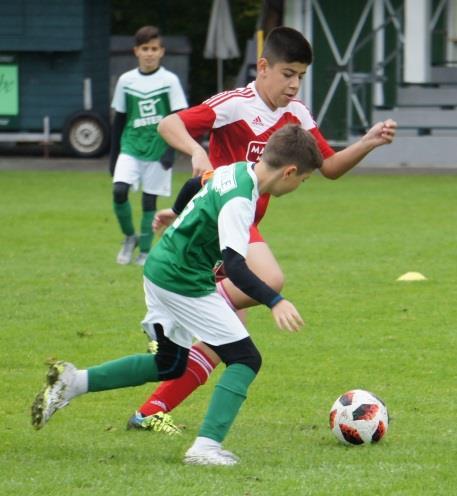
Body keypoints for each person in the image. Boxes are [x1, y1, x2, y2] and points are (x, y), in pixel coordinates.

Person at [126, 26, 397, 430]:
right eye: (288, 73)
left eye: (301, 75)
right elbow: (169, 125)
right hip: (223, 219)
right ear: (264, 66)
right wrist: (198, 150)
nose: (294, 84)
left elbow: (330, 168)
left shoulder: (297, 115)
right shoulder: (235, 105)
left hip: (236, 227)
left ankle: (148, 413)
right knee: (269, 278)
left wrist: (368, 142)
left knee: (228, 337)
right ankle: (175, 316)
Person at [31, 125, 323, 466]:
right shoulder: (241, 201)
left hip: (161, 267)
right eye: (302, 180)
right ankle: (205, 447)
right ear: (289, 171)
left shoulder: (236, 169)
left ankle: (74, 381)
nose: (299, 187)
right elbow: (235, 266)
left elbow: (194, 183)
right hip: (182, 281)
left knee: (169, 364)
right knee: (246, 358)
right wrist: (276, 300)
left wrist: (177, 211)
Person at [110, 25, 188, 266]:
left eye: (154, 48)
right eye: (145, 48)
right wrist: (113, 157)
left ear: (162, 52)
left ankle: (144, 251)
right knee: (119, 191)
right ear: (136, 51)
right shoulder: (126, 81)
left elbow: (180, 118)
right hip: (130, 147)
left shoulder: (169, 81)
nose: (150, 53)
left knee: (149, 202)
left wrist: (170, 150)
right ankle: (129, 237)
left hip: (158, 149)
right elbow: (120, 119)